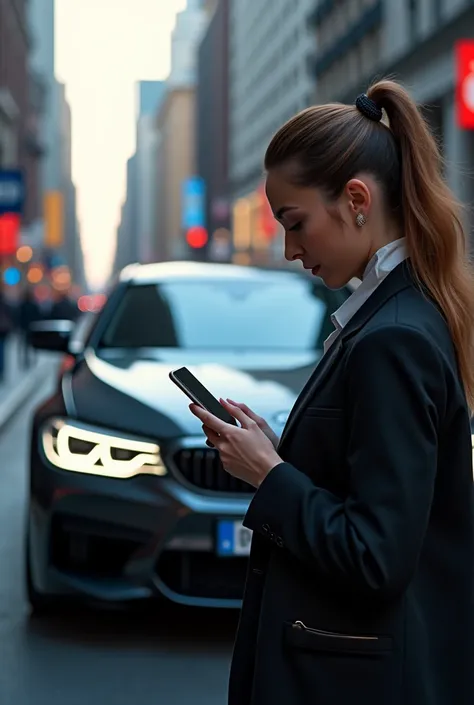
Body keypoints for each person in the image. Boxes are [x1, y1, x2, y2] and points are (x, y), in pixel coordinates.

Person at [190, 80, 474, 705]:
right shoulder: (386, 318)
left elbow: (375, 557)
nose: (290, 250)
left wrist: (270, 477)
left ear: (356, 200)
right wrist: (277, 454)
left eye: (296, 223)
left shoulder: (391, 338)